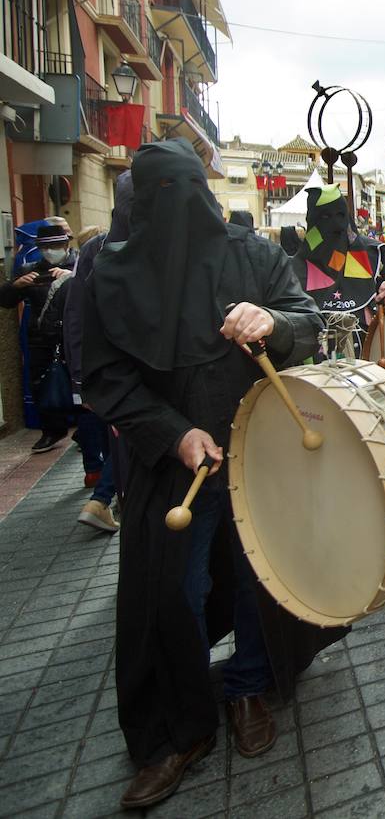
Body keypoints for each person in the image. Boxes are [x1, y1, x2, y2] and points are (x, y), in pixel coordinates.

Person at [82, 140, 343, 811]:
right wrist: (173, 434)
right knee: (175, 590)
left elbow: (310, 325)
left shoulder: (251, 255)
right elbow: (102, 375)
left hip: (260, 452)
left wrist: (275, 322)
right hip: (171, 469)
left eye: (188, 190)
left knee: (262, 577)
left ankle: (249, 686)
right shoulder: (104, 274)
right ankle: (181, 724)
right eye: (162, 195)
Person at [64, 176, 135, 532]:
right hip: (117, 377)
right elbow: (77, 314)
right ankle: (109, 501)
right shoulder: (96, 252)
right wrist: (83, 380)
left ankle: (106, 501)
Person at [290, 183, 385, 353]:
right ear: (311, 221)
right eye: (324, 218)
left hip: (371, 364)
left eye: (340, 215)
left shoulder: (375, 255)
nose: (334, 224)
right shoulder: (293, 269)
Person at [1, 222, 77, 452]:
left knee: (80, 385)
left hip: (74, 335)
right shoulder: (29, 270)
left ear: (66, 245)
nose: (51, 251)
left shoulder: (80, 265)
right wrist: (15, 286)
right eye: (46, 247)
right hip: (42, 338)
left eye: (55, 246)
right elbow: (5, 301)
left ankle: (86, 430)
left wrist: (72, 277)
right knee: (41, 385)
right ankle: (52, 431)